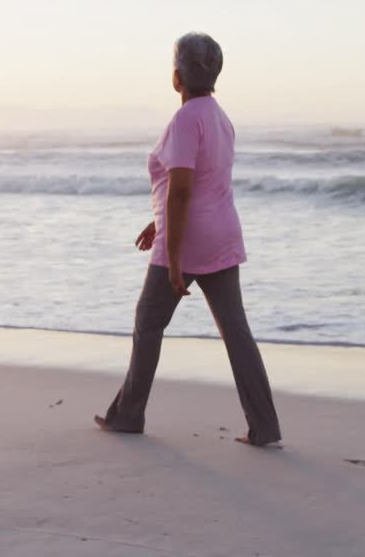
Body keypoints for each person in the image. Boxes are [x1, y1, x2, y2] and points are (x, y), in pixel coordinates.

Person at [93, 32, 282, 447]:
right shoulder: (220, 118)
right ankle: (265, 426)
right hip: (222, 235)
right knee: (236, 332)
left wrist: (174, 259)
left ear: (177, 77)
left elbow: (181, 190)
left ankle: (128, 416)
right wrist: (158, 221)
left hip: (188, 240)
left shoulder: (183, 121)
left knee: (148, 322)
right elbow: (201, 184)